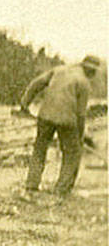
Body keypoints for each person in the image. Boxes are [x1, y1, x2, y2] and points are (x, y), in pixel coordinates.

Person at [15, 54, 101, 197]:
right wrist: (79, 136)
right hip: (67, 121)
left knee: (39, 149)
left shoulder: (59, 70)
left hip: (45, 116)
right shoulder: (84, 83)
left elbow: (36, 84)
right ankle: (61, 191)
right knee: (72, 154)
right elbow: (80, 115)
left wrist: (24, 104)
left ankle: (31, 186)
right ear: (91, 71)